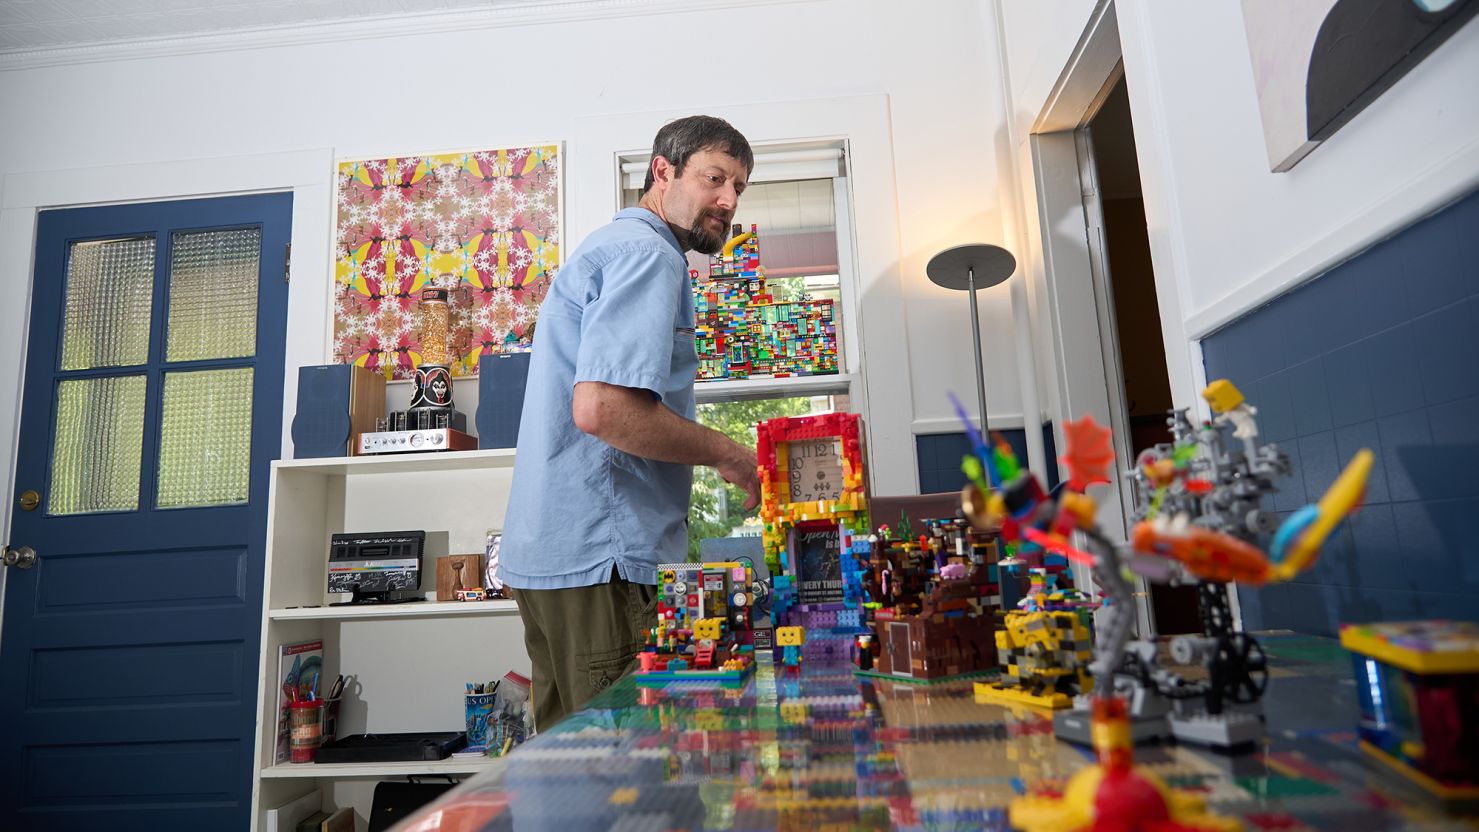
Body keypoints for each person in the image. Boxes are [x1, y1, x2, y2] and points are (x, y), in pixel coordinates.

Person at [498, 115, 762, 730]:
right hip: (604, 558)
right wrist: (729, 452)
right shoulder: (650, 255)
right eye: (715, 178)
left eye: (739, 188)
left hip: (552, 556)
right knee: (627, 780)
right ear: (663, 172)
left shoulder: (607, 247)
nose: (728, 200)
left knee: (571, 773)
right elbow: (603, 410)